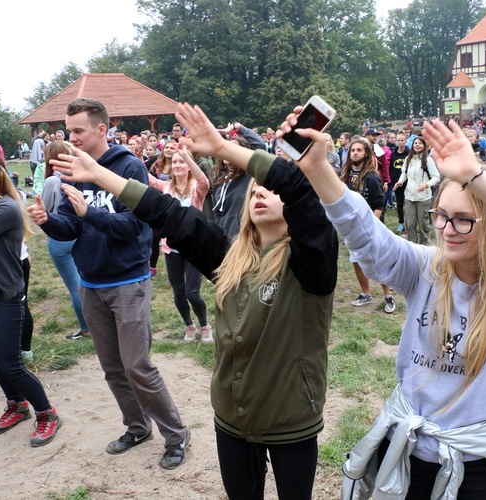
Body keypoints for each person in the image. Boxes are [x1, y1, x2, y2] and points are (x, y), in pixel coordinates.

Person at [50, 101, 338, 499]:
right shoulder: (227, 255)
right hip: (232, 417)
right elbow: (168, 213)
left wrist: (222, 148)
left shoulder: (312, 261)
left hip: (290, 418)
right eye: (255, 189)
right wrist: (101, 175)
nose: (261, 194)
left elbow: (299, 189)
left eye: (270, 189)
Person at [278, 112, 486, 498]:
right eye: (442, 215)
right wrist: (317, 169)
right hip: (405, 447)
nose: (447, 229)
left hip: (472, 456)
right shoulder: (425, 267)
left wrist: (477, 177)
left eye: (464, 219)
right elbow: (366, 236)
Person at [27, 98, 190, 470]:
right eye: (69, 131)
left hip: (128, 280)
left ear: (102, 129)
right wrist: (47, 220)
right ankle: (137, 427)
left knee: (137, 365)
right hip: (91, 282)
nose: (72, 138)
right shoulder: (73, 168)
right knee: (113, 367)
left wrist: (91, 212)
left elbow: (135, 227)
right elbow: (70, 226)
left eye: (78, 130)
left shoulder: (127, 166)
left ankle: (176, 435)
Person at [0, 150, 61, 446]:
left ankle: (46, 413)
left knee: (10, 365)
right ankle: (17, 405)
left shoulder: (5, 208)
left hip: (2, 298)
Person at [147, 147, 212, 343]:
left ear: (189, 166)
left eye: (181, 162)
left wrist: (186, 155)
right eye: (174, 162)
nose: (177, 165)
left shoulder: (196, 188)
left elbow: (204, 181)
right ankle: (188, 325)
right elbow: (144, 176)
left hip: (193, 248)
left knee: (193, 293)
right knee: (179, 292)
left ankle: (205, 325)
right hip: (171, 249)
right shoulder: (165, 187)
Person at [41, 141, 91, 341]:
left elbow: (44, 209)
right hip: (78, 232)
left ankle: (87, 328)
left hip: (60, 235)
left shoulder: (52, 181)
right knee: (85, 282)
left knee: (75, 286)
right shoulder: (77, 177)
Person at [343, 138, 396, 313]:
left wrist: (371, 228)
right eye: (353, 150)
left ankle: (388, 295)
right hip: (352, 228)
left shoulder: (372, 177)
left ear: (366, 153)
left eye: (359, 150)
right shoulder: (345, 177)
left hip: (371, 229)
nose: (355, 153)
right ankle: (366, 294)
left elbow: (379, 204)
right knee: (357, 261)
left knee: (378, 262)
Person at [394, 136, 441, 245]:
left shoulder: (428, 160)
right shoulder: (408, 159)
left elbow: (436, 177)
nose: (417, 145)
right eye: (415, 143)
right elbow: (404, 173)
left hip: (423, 197)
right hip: (409, 196)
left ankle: (424, 246)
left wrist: (427, 184)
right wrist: (400, 182)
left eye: (420, 143)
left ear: (424, 146)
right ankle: (413, 246)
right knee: (410, 224)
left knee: (423, 224)